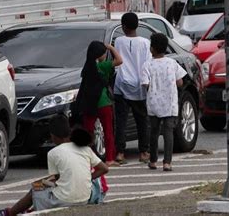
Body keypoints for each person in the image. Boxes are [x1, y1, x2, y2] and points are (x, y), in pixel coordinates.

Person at [0, 115, 109, 216]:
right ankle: (24, 210)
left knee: (35, 190)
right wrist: (89, 177)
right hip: (85, 198)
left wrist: (38, 184)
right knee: (43, 188)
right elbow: (104, 169)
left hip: (65, 199)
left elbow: (53, 180)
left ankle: (10, 213)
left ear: (53, 136)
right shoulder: (84, 148)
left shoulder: (53, 153)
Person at [141, 33, 187, 171]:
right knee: (168, 132)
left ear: (152, 49)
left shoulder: (147, 65)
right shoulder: (172, 63)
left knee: (154, 132)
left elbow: (145, 84)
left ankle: (153, 160)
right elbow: (180, 82)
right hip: (170, 102)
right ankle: (167, 162)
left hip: (154, 103)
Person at [114, 12, 152, 164]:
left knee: (121, 121)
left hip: (121, 84)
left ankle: (120, 153)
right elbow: (147, 64)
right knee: (142, 120)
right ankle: (143, 152)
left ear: (123, 26)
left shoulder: (118, 41)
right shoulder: (145, 42)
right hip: (139, 85)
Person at [76, 41, 123, 167]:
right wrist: (110, 47)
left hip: (89, 104)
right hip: (103, 102)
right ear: (99, 55)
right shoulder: (103, 66)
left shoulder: (86, 68)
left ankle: (88, 159)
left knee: (88, 132)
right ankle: (109, 159)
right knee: (108, 130)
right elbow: (119, 60)